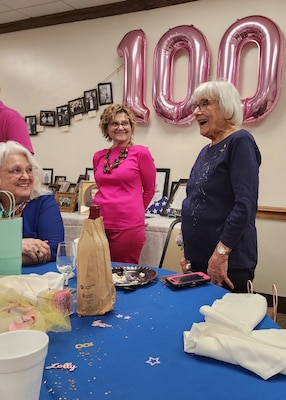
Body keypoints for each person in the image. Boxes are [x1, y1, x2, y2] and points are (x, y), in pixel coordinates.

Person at [180, 80, 261, 293]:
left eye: (204, 103)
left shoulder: (240, 140)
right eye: (195, 106)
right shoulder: (206, 150)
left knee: (225, 324)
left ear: (226, 106)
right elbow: (194, 199)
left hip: (227, 259)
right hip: (199, 256)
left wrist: (221, 252)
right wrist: (187, 252)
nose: (197, 112)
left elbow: (245, 205)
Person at [92, 104, 156, 263]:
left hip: (127, 226)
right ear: (106, 128)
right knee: (97, 272)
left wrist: (136, 214)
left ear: (131, 127)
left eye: (125, 123)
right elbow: (102, 188)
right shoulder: (98, 156)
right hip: (97, 224)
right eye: (114, 123)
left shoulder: (141, 153)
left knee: (123, 275)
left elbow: (149, 190)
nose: (120, 127)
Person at [0, 140, 64, 265]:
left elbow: (52, 250)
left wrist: (6, 251)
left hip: (34, 279)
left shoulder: (44, 202)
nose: (26, 176)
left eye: (29, 170)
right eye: (16, 170)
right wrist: (16, 246)